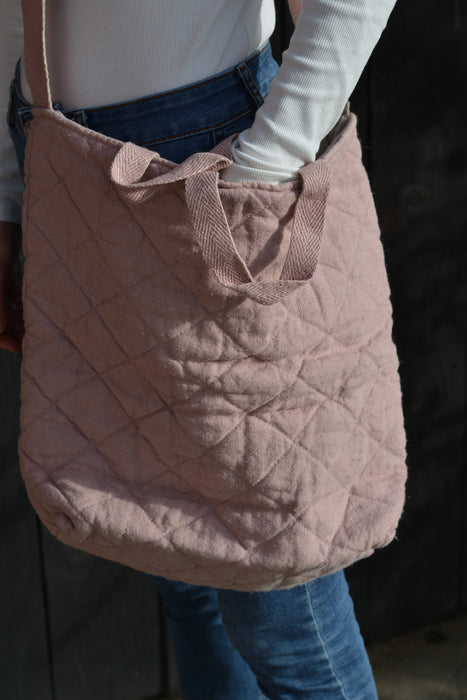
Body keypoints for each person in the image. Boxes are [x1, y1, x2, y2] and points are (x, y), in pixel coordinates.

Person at [1, 1, 398, 698]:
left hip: (212, 150)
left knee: (280, 610)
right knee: (179, 561)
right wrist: (6, 194)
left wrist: (265, 164)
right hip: (55, 146)